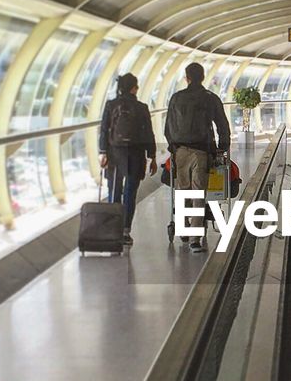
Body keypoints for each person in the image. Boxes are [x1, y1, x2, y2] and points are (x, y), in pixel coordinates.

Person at [164, 61, 231, 253]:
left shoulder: (176, 98)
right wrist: (222, 148)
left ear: (187, 78)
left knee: (183, 191)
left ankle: (184, 229)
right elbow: (222, 125)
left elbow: (167, 128)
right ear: (202, 77)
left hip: (180, 151)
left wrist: (173, 148)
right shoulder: (210, 98)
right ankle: (194, 238)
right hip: (202, 151)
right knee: (198, 193)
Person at [98, 72, 157, 246]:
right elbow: (148, 133)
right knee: (130, 194)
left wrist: (103, 152)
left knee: (114, 192)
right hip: (135, 154)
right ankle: (125, 232)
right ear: (133, 88)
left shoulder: (111, 105)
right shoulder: (141, 107)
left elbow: (104, 130)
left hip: (114, 154)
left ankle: (112, 230)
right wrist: (152, 156)